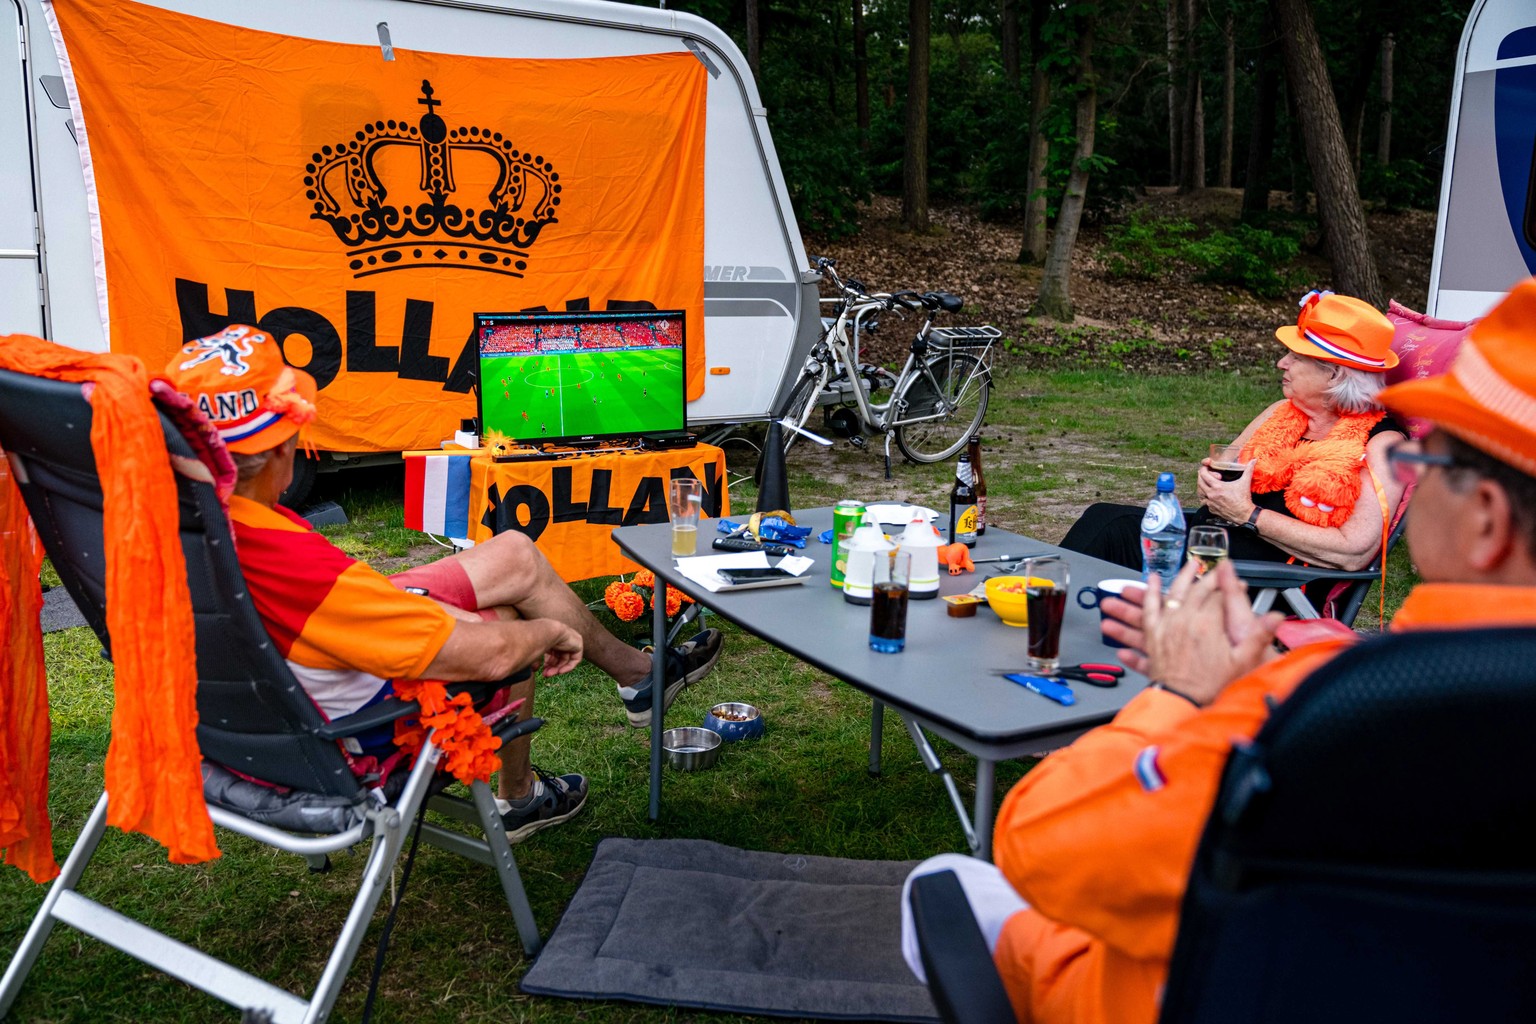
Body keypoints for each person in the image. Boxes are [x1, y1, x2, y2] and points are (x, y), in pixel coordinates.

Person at [900, 277, 1536, 1024]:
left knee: (945, 885)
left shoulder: (1310, 705)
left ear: (1487, 520)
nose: (1413, 485)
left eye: (1432, 468)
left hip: (1196, 995)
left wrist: (1183, 697)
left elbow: (1038, 847)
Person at [162, 325, 722, 842]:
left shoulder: (168, 523)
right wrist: (549, 631)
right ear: (284, 447)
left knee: (515, 556)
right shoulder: (289, 563)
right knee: (514, 622)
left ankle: (639, 676)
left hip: (262, 693)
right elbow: (488, 658)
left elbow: (328, 603)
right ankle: (519, 797)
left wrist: (409, 610)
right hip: (349, 735)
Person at [1061, 291, 1408, 574]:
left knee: (1111, 534)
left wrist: (1249, 515)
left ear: (1333, 375)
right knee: (1106, 520)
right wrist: (1211, 484)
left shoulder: (1382, 445)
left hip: (1268, 578)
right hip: (1213, 542)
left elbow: (1354, 552)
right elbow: (1227, 469)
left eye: (1295, 357)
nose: (1281, 363)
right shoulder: (1281, 412)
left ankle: (1050, 617)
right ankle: (1045, 609)